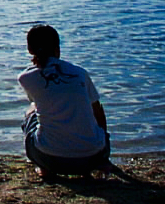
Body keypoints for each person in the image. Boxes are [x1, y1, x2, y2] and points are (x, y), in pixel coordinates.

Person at [18, 24, 110, 178]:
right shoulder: (80, 73)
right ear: (57, 47)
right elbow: (98, 111)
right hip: (92, 158)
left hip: (50, 158)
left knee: (31, 112)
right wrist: (104, 147)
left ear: (29, 49)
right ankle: (101, 162)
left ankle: (43, 167)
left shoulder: (25, 78)